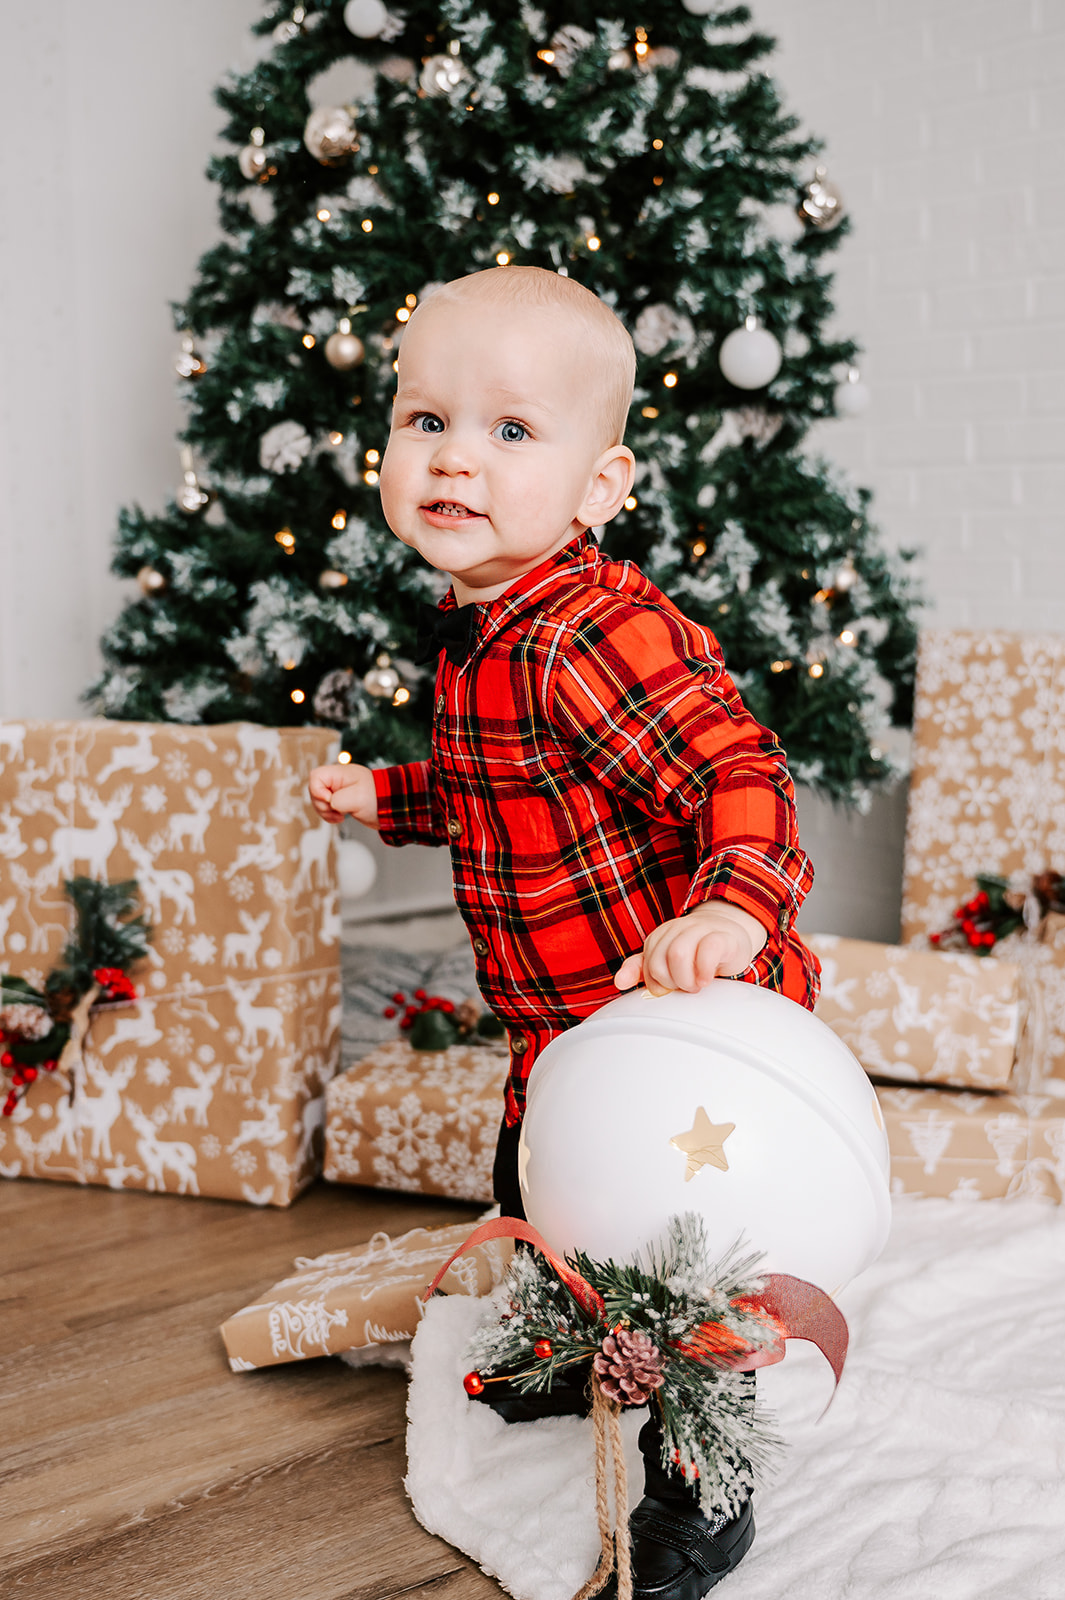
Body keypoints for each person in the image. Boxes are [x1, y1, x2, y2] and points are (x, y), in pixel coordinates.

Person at [309, 265, 819, 1599]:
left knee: (682, 1262)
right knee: (540, 1197)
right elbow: (504, 791)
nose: (453, 458)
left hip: (678, 1026)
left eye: (510, 431)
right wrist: (391, 794)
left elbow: (739, 769)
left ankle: (702, 1476)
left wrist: (730, 904)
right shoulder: (483, 632)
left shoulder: (587, 631)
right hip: (564, 1025)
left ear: (598, 487)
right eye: (425, 420)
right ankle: (564, 1342)